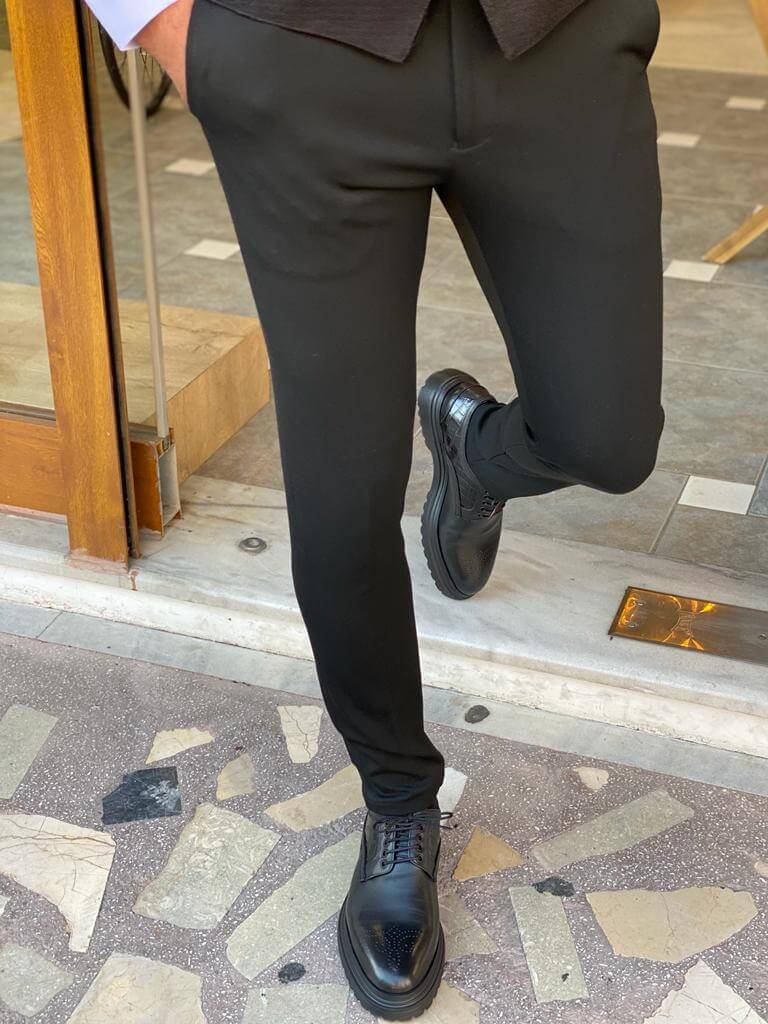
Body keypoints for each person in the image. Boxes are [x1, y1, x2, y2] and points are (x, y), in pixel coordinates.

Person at [86, 0, 665, 1016]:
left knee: (607, 437)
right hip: (302, 50)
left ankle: (477, 454)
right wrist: (158, 18)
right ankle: (399, 798)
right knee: (344, 494)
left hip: (558, 38)